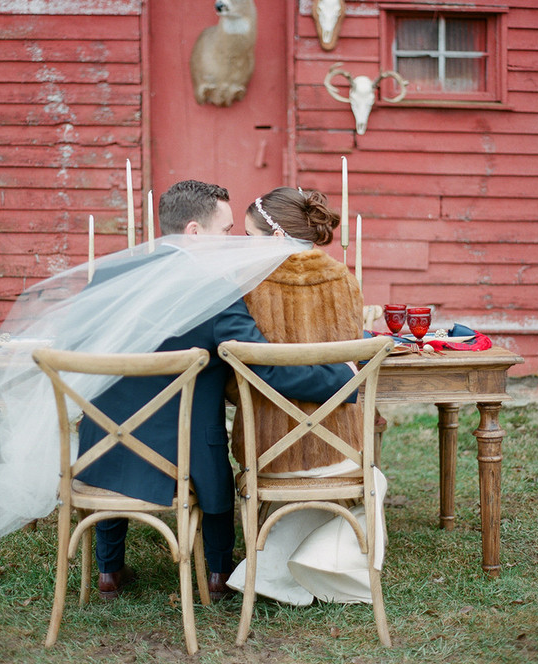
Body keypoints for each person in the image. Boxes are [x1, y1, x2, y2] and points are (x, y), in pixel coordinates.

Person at [76, 180, 358, 602]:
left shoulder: (110, 275)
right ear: (194, 232)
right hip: (185, 452)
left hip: (103, 448)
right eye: (226, 231)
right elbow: (264, 367)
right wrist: (343, 378)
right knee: (210, 447)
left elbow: (79, 348)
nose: (233, 243)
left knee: (120, 423)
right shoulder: (216, 291)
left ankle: (108, 570)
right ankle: (217, 572)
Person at [227, 186, 387, 605]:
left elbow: (235, 379)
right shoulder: (343, 280)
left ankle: (270, 570)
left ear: (278, 237)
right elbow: (350, 366)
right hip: (337, 449)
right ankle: (307, 564)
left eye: (249, 236)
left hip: (267, 450)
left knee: (368, 480)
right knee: (372, 478)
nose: (243, 245)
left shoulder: (246, 285)